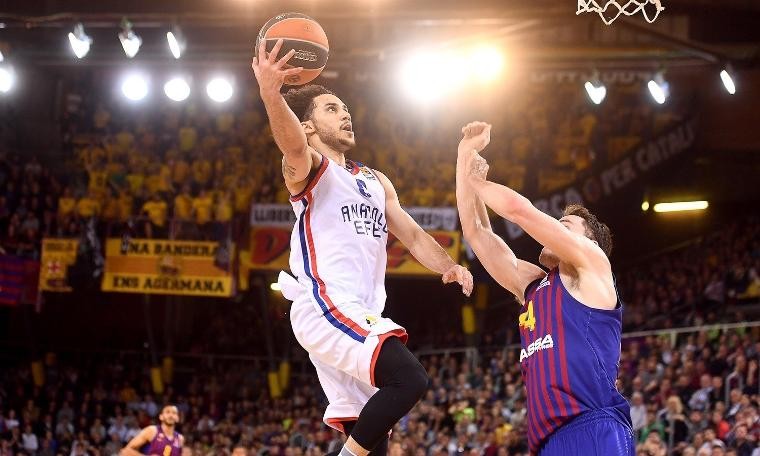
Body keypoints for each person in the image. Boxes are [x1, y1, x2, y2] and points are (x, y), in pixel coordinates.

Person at [251, 39, 473, 456]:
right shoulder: (309, 170)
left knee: (374, 440)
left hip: (362, 310)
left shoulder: (375, 180)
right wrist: (270, 93)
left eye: (346, 108)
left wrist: (448, 266)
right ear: (310, 126)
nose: (346, 114)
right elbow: (292, 145)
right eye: (332, 109)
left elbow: (411, 234)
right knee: (410, 379)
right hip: (325, 303)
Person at [454, 122, 634, 455]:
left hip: (594, 426)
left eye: (563, 225)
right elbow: (477, 233)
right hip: (546, 439)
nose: (552, 230)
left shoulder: (592, 266)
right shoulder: (533, 286)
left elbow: (520, 211)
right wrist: (464, 155)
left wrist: (476, 180)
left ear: (587, 241)